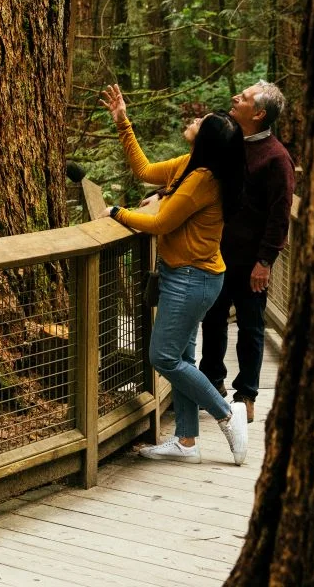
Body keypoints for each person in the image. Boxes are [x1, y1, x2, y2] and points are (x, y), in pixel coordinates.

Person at [100, 84, 250, 465]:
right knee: (182, 355)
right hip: (183, 274)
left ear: (208, 142)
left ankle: (226, 414)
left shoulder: (204, 180)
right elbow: (146, 170)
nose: (195, 120)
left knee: (164, 357)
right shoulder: (190, 166)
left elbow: (162, 222)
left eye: (202, 122)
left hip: (193, 279)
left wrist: (116, 212)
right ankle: (186, 441)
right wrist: (122, 122)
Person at [200, 81, 296, 422]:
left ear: (258, 113)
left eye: (243, 98)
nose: (234, 98)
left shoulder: (276, 158)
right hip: (216, 253)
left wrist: (265, 261)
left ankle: (247, 395)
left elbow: (280, 214)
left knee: (251, 328)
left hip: (252, 261)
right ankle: (211, 386)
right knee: (212, 321)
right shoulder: (230, 142)